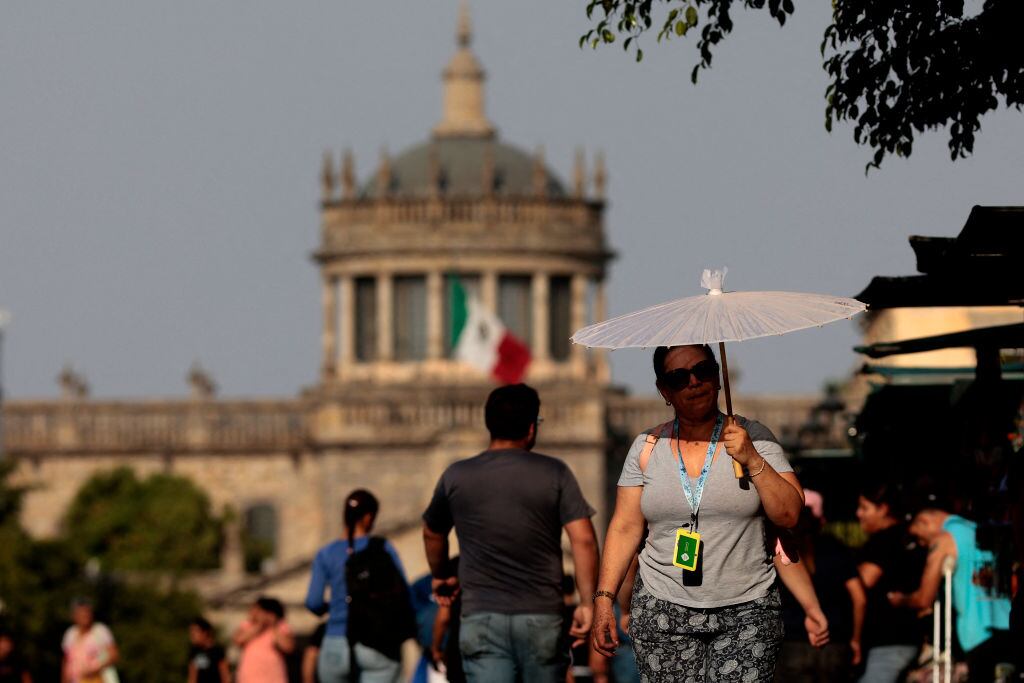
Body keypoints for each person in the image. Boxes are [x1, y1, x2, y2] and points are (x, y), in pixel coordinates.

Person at [591, 344, 804, 682]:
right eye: (679, 377)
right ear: (665, 391)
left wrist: (753, 459)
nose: (694, 382)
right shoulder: (647, 447)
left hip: (747, 610)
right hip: (664, 609)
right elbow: (624, 528)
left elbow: (790, 515)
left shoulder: (756, 439)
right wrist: (604, 599)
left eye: (703, 371)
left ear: (718, 378)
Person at [422, 383, 600, 683]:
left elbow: (431, 532)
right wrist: (587, 602)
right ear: (531, 428)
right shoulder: (555, 472)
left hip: (481, 615)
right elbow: (583, 540)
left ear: (488, 425)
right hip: (541, 615)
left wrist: (440, 574)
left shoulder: (457, 475)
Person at [888, 506, 1012, 683]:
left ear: (925, 522)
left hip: (976, 631)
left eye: (918, 537)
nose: (922, 544)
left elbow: (924, 598)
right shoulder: (976, 528)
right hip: (1006, 622)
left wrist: (901, 600)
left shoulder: (944, 539)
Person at [305, 489, 413, 683]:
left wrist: (332, 608)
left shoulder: (326, 553)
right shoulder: (382, 547)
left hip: (336, 642)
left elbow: (313, 602)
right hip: (376, 642)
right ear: (369, 517)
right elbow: (403, 591)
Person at [774, 498, 866, 683]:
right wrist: (855, 639)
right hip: (834, 642)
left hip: (793, 643)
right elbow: (860, 598)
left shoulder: (782, 551)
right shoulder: (836, 549)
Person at [855, 482, 927, 683]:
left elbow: (864, 581)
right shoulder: (906, 536)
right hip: (901, 638)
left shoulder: (884, 541)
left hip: (888, 640)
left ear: (883, 509)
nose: (859, 514)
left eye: (864, 508)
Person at [234, 596, 295, 683]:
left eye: (257, 610)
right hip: (249, 677)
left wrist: (273, 626)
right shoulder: (247, 625)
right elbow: (238, 640)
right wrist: (259, 626)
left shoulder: (281, 627)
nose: (252, 612)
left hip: (273, 677)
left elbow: (288, 647)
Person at [61, 598, 118, 683]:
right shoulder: (70, 634)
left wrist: (94, 670)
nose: (85, 616)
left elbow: (114, 655)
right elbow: (66, 661)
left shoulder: (100, 630)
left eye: (87, 612)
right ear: (74, 616)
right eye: (81, 613)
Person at [188, 617, 230, 683]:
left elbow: (225, 676)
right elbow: (192, 677)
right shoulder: (195, 651)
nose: (192, 635)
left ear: (205, 633)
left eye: (195, 632)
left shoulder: (217, 651)